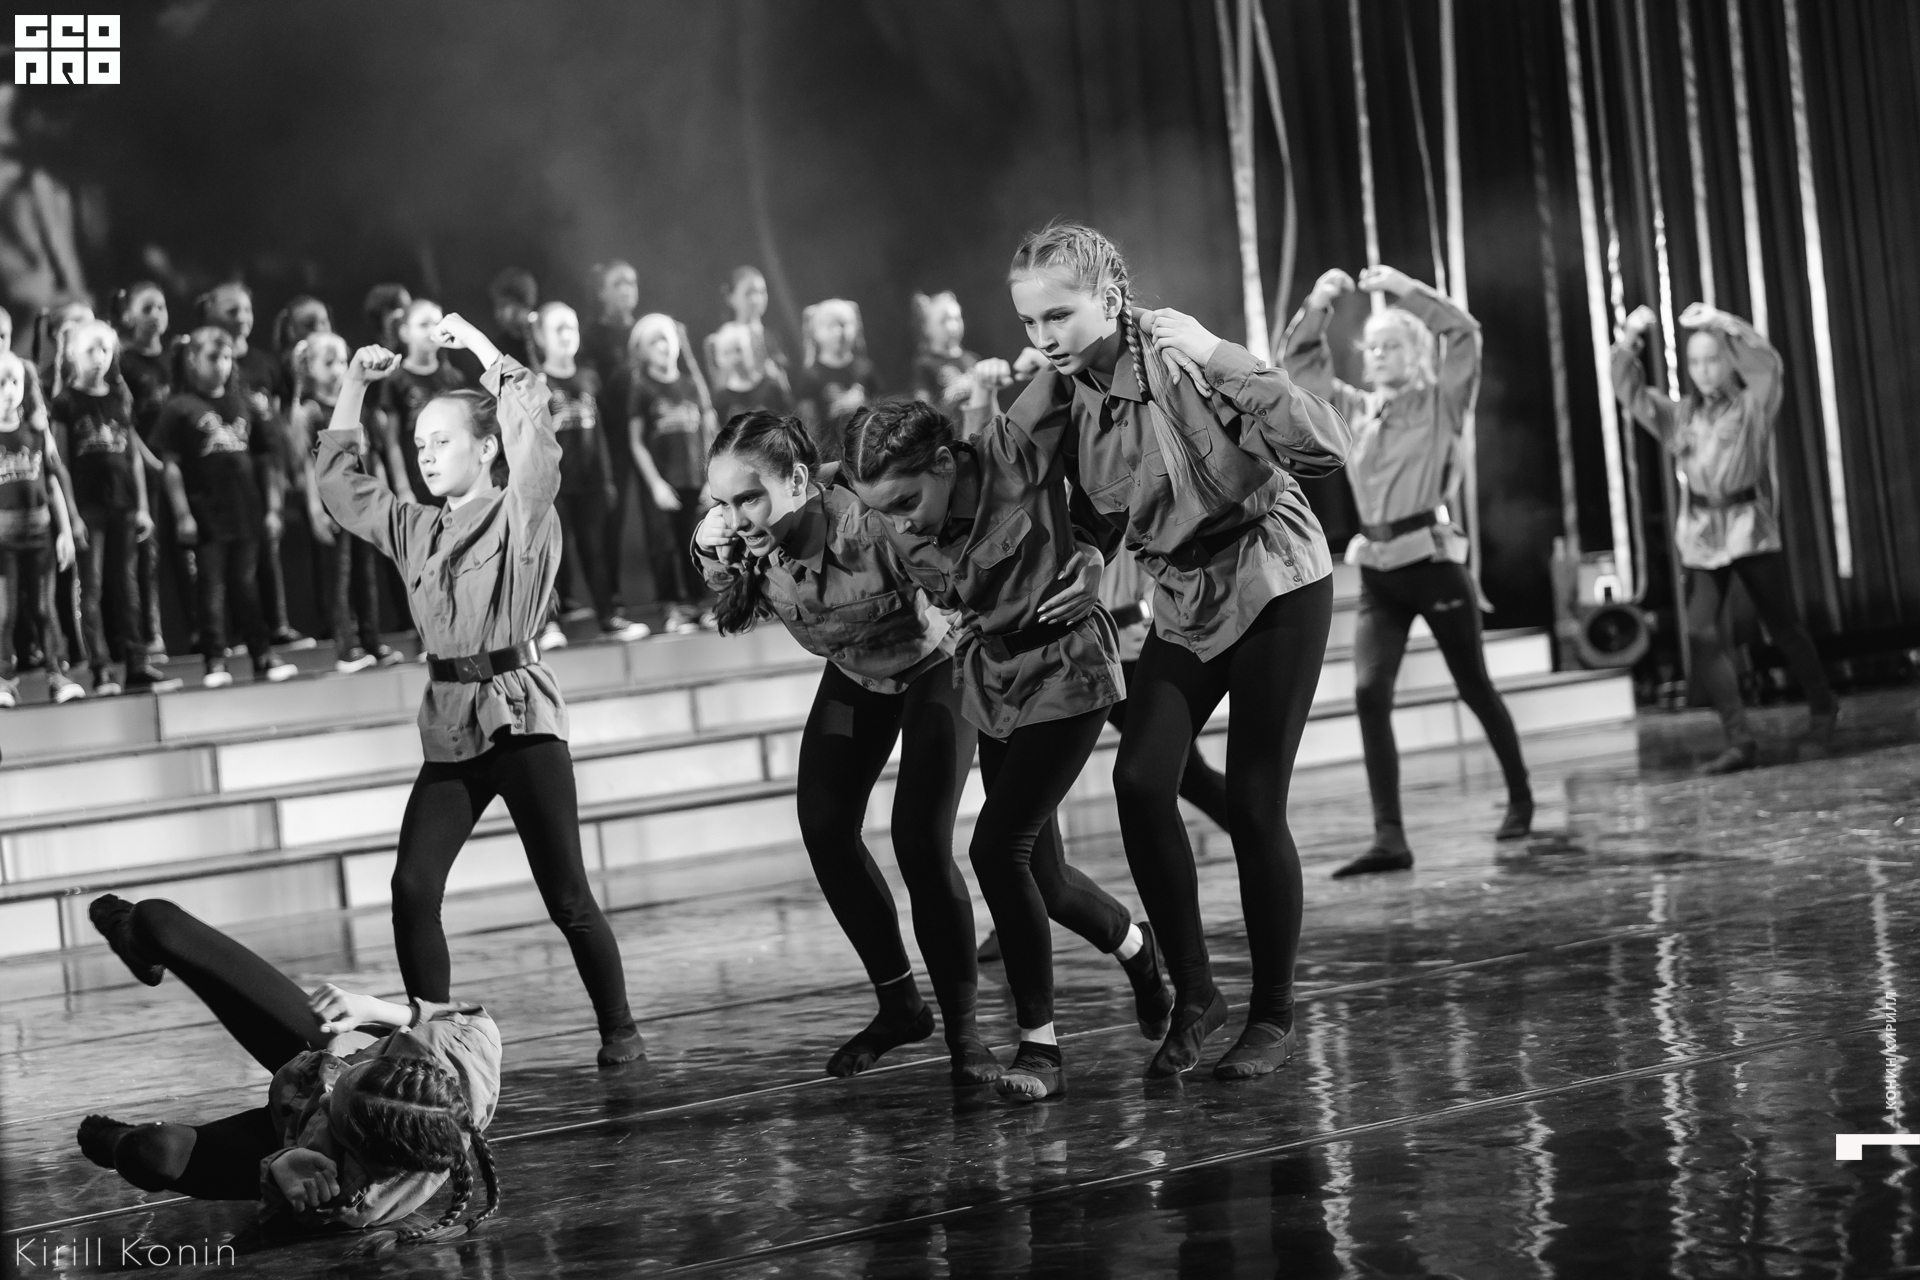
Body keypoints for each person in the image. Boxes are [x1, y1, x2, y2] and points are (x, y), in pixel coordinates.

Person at [697, 410, 1172, 1087]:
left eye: (748, 498)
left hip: (936, 663)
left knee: (941, 845)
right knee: (824, 825)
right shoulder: (734, 541)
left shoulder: (874, 524)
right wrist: (707, 537)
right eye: (720, 503)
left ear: (799, 482)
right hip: (858, 672)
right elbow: (725, 565)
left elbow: (975, 516)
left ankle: (971, 1032)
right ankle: (900, 1005)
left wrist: (1086, 555)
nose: (733, 516)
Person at [999, 222, 1351, 1080]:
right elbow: (1093, 503)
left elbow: (1326, 449)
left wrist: (1225, 357)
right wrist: (1089, 556)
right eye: (1030, 322)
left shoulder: (1179, 356)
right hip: (1183, 596)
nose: (1044, 338)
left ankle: (1272, 1015)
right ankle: (1195, 993)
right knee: (1142, 779)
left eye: (1059, 315)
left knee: (1256, 802)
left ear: (1112, 298)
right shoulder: (1061, 395)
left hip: (1272, 574)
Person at [314, 316, 643, 1067]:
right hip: (451, 727)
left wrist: (485, 351)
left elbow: (537, 437)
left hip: (520, 718)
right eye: (420, 445)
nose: (428, 455)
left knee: (566, 895)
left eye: (443, 441)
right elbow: (342, 488)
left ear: (486, 448)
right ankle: (431, 1040)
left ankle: (621, 1031)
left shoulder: (522, 510)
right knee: (412, 887)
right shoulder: (414, 528)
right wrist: (354, 384)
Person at [845, 394, 1161, 1104]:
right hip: (993, 683)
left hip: (1069, 670)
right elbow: (806, 505)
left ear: (943, 462)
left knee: (995, 849)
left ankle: (1040, 1047)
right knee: (1045, 878)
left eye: (906, 502)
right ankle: (1140, 952)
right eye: (883, 512)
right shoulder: (886, 514)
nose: (900, 523)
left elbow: (1086, 383)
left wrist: (1093, 544)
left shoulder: (1011, 450)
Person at [1280, 265, 1533, 877]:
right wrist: (1320, 302)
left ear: (1417, 352)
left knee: (1473, 685)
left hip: (1433, 565)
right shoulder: (1355, 409)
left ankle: (1521, 798)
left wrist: (1402, 289)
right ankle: (1389, 837)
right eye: (1372, 347)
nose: (1378, 354)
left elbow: (1465, 334)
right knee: (1370, 693)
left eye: (1392, 344)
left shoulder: (1443, 401)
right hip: (1379, 574)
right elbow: (1299, 365)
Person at [79, 894, 499, 1248]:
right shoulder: (454, 1050)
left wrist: (281, 1168)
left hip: (290, 1139)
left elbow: (284, 1223)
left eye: (333, 1112)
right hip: (320, 1055)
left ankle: (114, 1140)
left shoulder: (353, 1191)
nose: (326, 1095)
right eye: (346, 1082)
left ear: (359, 1151)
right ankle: (133, 940)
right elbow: (466, 1017)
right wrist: (374, 1009)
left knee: (146, 1153)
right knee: (156, 919)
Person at [1613, 301, 1837, 773]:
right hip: (1701, 534)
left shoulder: (1754, 403)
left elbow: (1767, 363)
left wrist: (1721, 324)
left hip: (1747, 528)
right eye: (1695, 362)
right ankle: (1739, 740)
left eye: (1712, 359)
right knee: (1700, 632)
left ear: (1728, 361)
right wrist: (1629, 339)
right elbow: (1630, 392)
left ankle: (1822, 707)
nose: (1704, 370)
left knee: (1782, 626)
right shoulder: (1680, 416)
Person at [150, 326, 299, 689]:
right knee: (211, 588)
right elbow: (170, 466)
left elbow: (267, 460)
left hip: (245, 514)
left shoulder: (244, 403)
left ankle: (262, 655)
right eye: (213, 357)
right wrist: (183, 514)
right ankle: (215, 658)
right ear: (193, 360)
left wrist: (273, 509)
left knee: (246, 585)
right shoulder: (179, 408)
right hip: (206, 517)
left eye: (227, 357)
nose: (221, 365)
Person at [47, 319, 177, 695]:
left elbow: (132, 454)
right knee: (91, 588)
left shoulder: (119, 395)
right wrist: (72, 516)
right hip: (89, 509)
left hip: (124, 506)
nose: (99, 357)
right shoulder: (65, 403)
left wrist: (142, 507)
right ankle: (101, 668)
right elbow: (61, 463)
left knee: (128, 587)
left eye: (105, 350)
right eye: (91, 350)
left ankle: (137, 663)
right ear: (74, 354)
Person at [528, 301, 647, 643]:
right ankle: (550, 624)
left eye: (572, 327)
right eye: (558, 329)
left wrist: (607, 479)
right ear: (541, 337)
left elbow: (600, 435)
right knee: (554, 555)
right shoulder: (536, 382)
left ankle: (609, 617)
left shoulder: (589, 377)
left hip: (591, 483)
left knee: (595, 550)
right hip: (555, 486)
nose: (567, 334)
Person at [290, 331, 392, 673]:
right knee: (340, 576)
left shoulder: (354, 406)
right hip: (333, 506)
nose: (337, 369)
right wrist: (314, 509)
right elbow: (306, 465)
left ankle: (372, 640)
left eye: (342, 361)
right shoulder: (310, 412)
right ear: (309, 368)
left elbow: (371, 457)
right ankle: (346, 647)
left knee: (366, 573)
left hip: (361, 503)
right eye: (328, 362)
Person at [0, 349, 81, 706]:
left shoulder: (36, 432)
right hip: (3, 540)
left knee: (45, 609)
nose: (9, 390)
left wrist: (64, 532)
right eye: (1, 383)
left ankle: (57, 675)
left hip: (40, 534)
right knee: (4, 613)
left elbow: (51, 484)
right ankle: (4, 679)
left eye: (14, 382)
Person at [111, 282, 187, 657]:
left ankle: (203, 631)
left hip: (182, 471)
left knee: (189, 552)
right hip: (148, 473)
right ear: (128, 316)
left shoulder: (177, 359)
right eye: (147, 308)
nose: (156, 315)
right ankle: (151, 634)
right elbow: (126, 424)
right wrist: (150, 460)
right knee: (149, 557)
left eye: (161, 307)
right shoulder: (124, 362)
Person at [629, 313, 715, 634]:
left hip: (694, 479)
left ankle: (702, 604)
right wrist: (655, 484)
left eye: (666, 339)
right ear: (642, 350)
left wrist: (711, 479)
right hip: (665, 482)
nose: (663, 347)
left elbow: (709, 435)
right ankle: (673, 608)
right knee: (664, 546)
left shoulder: (692, 385)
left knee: (696, 543)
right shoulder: (642, 389)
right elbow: (636, 441)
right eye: (654, 341)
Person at [582, 261, 641, 618]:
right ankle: (612, 597)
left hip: (648, 433)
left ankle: (683, 594)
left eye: (632, 282)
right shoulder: (592, 337)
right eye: (618, 283)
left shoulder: (645, 331)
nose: (627, 289)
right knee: (612, 517)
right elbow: (594, 390)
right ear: (602, 292)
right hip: (612, 434)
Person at [374, 298, 468, 509]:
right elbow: (392, 441)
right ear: (405, 332)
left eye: (437, 323)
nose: (432, 330)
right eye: (423, 325)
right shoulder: (396, 380)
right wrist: (402, 488)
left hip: (455, 478)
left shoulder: (454, 378)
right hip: (418, 481)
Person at [792, 298, 874, 464]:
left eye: (843, 324)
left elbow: (879, 406)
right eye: (831, 326)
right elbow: (808, 424)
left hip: (868, 452)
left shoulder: (865, 367)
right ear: (816, 331)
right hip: (832, 458)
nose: (838, 332)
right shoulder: (811, 375)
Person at [705, 265, 789, 392]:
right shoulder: (720, 339)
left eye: (762, 292)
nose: (757, 299)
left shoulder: (772, 336)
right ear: (731, 298)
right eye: (749, 293)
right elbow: (719, 388)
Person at [911, 290, 983, 418]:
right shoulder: (925, 364)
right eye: (944, 320)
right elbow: (922, 409)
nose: (953, 326)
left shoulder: (973, 360)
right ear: (927, 328)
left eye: (957, 318)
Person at [708, 320, 792, 426]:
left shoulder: (772, 387)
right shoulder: (722, 400)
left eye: (738, 350)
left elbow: (790, 422)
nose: (735, 358)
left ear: (748, 349)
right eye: (728, 353)